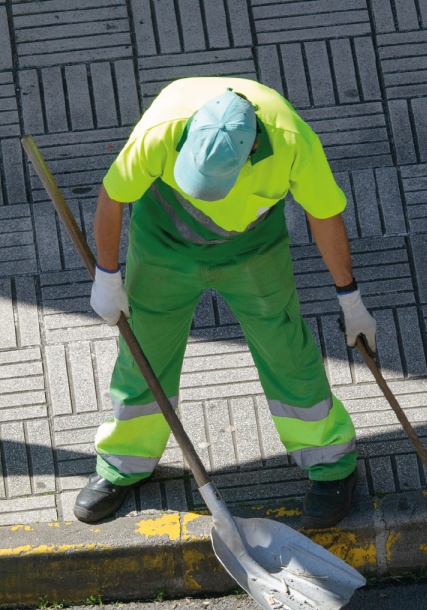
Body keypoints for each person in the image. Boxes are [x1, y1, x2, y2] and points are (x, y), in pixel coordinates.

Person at [73, 77, 376, 528]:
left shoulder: (292, 139)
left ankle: (331, 463)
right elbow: (113, 197)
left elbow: (323, 214)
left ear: (252, 147)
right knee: (143, 353)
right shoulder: (163, 126)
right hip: (163, 245)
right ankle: (125, 461)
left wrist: (350, 297)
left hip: (251, 250)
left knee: (285, 349)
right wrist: (108, 276)